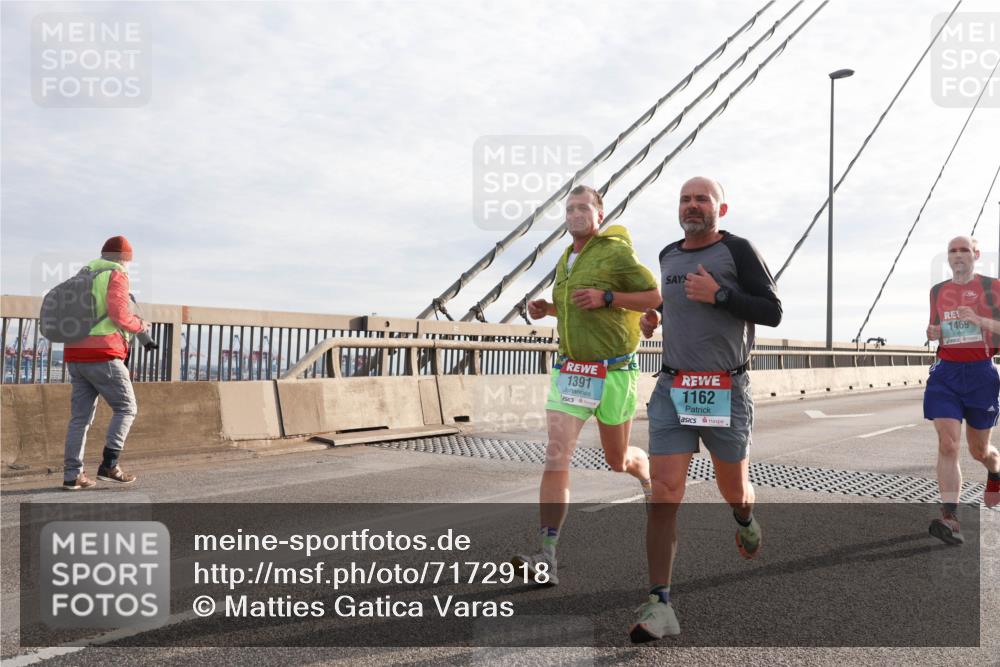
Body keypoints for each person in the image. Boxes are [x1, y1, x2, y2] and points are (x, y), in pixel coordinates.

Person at [630, 177, 781, 641]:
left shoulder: (738, 251)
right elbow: (677, 305)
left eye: (701, 199)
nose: (692, 205)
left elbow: (771, 311)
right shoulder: (668, 255)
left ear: (721, 207)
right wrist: (656, 318)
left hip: (725, 389)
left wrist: (720, 295)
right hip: (674, 386)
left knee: (732, 488)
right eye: (685, 199)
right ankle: (661, 603)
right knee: (664, 492)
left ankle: (744, 517)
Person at [511, 185, 661, 584]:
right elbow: (575, 303)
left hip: (614, 373)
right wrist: (549, 307)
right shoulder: (566, 258)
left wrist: (608, 297)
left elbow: (654, 296)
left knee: (617, 461)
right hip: (572, 372)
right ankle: (546, 555)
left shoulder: (616, 252)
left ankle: (642, 469)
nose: (575, 214)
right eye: (570, 208)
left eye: (583, 208)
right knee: (556, 456)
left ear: (599, 214)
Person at [924, 235, 1000, 544]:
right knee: (948, 444)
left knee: (979, 451)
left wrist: (980, 320)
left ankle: (995, 472)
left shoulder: (991, 287)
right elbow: (936, 329)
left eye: (964, 250)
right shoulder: (938, 292)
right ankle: (950, 517)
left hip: (981, 374)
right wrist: (933, 332)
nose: (958, 255)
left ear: (975, 254)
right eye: (952, 251)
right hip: (946, 374)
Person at [62, 235, 149, 490]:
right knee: (126, 408)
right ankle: (109, 465)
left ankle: (72, 476)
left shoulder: (83, 274)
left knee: (79, 419)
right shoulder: (117, 274)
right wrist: (140, 325)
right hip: (103, 353)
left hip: (75, 353)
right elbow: (120, 315)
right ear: (126, 259)